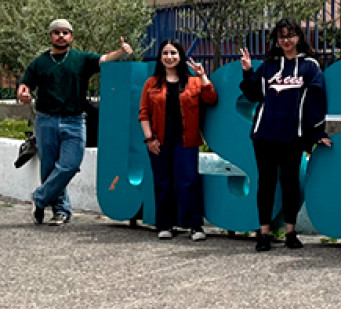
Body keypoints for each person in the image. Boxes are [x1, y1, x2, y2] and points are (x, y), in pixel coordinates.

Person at [17, 19, 133, 226]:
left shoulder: (81, 59)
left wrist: (121, 51)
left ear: (71, 36)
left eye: (65, 32)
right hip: (46, 120)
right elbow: (25, 85)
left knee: (70, 164)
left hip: (74, 120)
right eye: (56, 32)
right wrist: (23, 92)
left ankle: (40, 197)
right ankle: (60, 211)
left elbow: (104, 60)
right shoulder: (39, 63)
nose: (60, 36)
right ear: (50, 36)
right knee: (49, 168)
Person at [240, 19, 331, 252]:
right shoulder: (269, 65)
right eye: (282, 36)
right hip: (265, 135)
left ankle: (291, 232)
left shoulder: (310, 66)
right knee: (266, 184)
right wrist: (248, 70)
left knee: (290, 184)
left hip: (293, 135)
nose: (286, 40)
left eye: (290, 35)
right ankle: (264, 233)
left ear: (299, 37)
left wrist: (317, 132)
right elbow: (252, 94)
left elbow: (317, 101)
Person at [139, 39, 218, 241]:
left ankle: (195, 226)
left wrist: (203, 76)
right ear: (160, 57)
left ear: (180, 56)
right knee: (163, 183)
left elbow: (211, 99)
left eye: (173, 53)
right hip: (160, 141)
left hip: (186, 140)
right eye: (165, 53)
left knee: (188, 182)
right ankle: (165, 225)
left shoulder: (192, 82)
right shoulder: (152, 83)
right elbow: (144, 113)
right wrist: (149, 139)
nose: (169, 57)